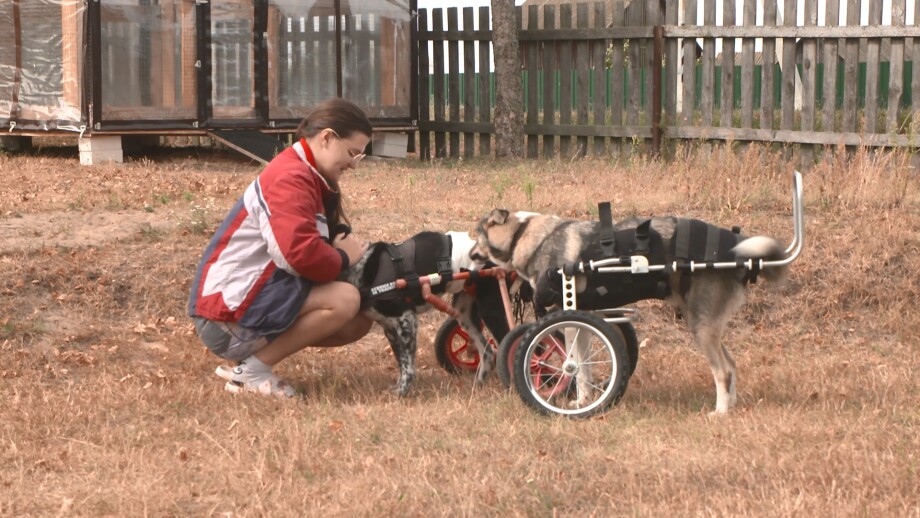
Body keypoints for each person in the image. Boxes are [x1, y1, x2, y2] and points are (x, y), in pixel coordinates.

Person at [188, 98, 374, 397]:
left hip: (239, 308)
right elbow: (297, 255)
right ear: (326, 137)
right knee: (345, 301)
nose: (353, 163)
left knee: (357, 321)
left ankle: (246, 363)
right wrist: (342, 257)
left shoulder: (306, 174)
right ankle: (250, 372)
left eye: (359, 157)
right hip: (225, 319)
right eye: (352, 152)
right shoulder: (290, 178)